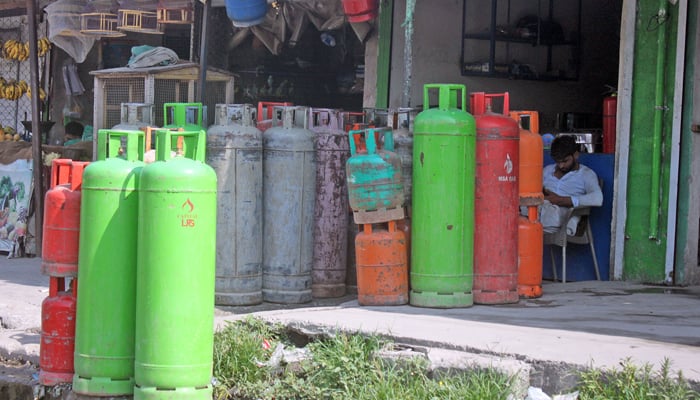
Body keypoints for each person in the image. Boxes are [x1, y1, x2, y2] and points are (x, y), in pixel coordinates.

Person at [539, 135, 603, 234]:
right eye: (557, 161)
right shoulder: (547, 171)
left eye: (565, 161)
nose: (561, 165)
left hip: (566, 216)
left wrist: (562, 200)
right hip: (542, 211)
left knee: (550, 213)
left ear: (576, 155)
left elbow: (597, 199)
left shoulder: (586, 174)